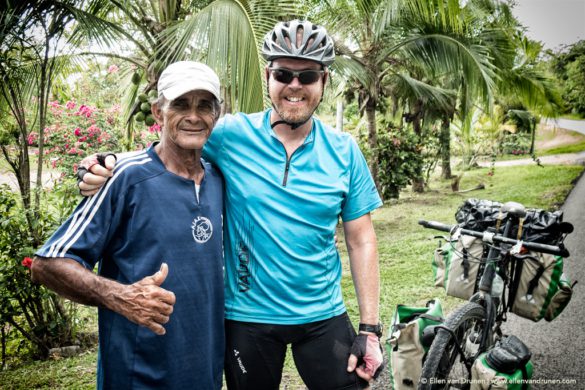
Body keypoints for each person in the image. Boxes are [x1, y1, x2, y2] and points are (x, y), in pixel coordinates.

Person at [79, 20, 384, 390]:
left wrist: (369, 328)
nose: (294, 86)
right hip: (247, 319)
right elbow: (171, 143)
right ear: (268, 77)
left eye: (307, 76)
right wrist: (103, 161)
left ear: (323, 83)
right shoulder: (230, 135)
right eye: (284, 74)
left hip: (322, 315)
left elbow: (361, 240)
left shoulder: (344, 150)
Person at [31, 61, 225, 389]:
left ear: (216, 115)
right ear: (158, 112)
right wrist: (120, 295)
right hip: (139, 375)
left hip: (203, 373)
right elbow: (47, 265)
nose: (194, 116)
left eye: (204, 105)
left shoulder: (220, 178)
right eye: (180, 104)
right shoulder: (124, 176)